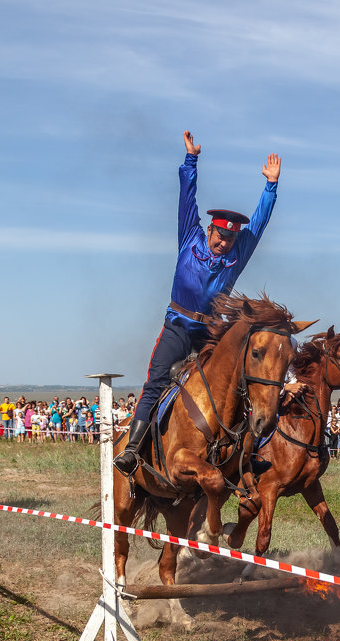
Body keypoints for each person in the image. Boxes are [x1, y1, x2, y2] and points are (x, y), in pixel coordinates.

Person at [115, 131, 282, 475]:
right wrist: (191, 160)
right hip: (177, 328)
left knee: (239, 381)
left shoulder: (237, 255)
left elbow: (260, 223)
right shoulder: (190, 236)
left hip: (210, 332)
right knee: (156, 381)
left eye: (231, 239)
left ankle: (246, 454)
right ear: (209, 231)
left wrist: (270, 187)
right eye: (221, 236)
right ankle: (133, 449)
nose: (225, 243)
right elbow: (186, 197)